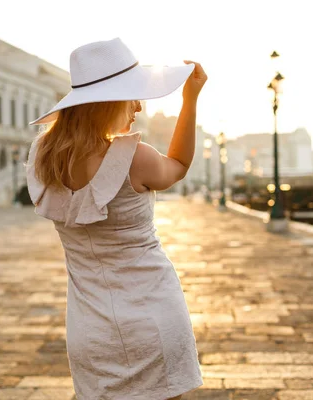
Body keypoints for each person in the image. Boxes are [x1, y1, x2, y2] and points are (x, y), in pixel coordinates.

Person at [26, 38, 207, 400]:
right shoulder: (134, 157)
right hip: (154, 318)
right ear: (107, 104)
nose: (139, 107)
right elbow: (180, 166)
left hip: (89, 330)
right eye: (132, 96)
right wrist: (190, 100)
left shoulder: (44, 158)